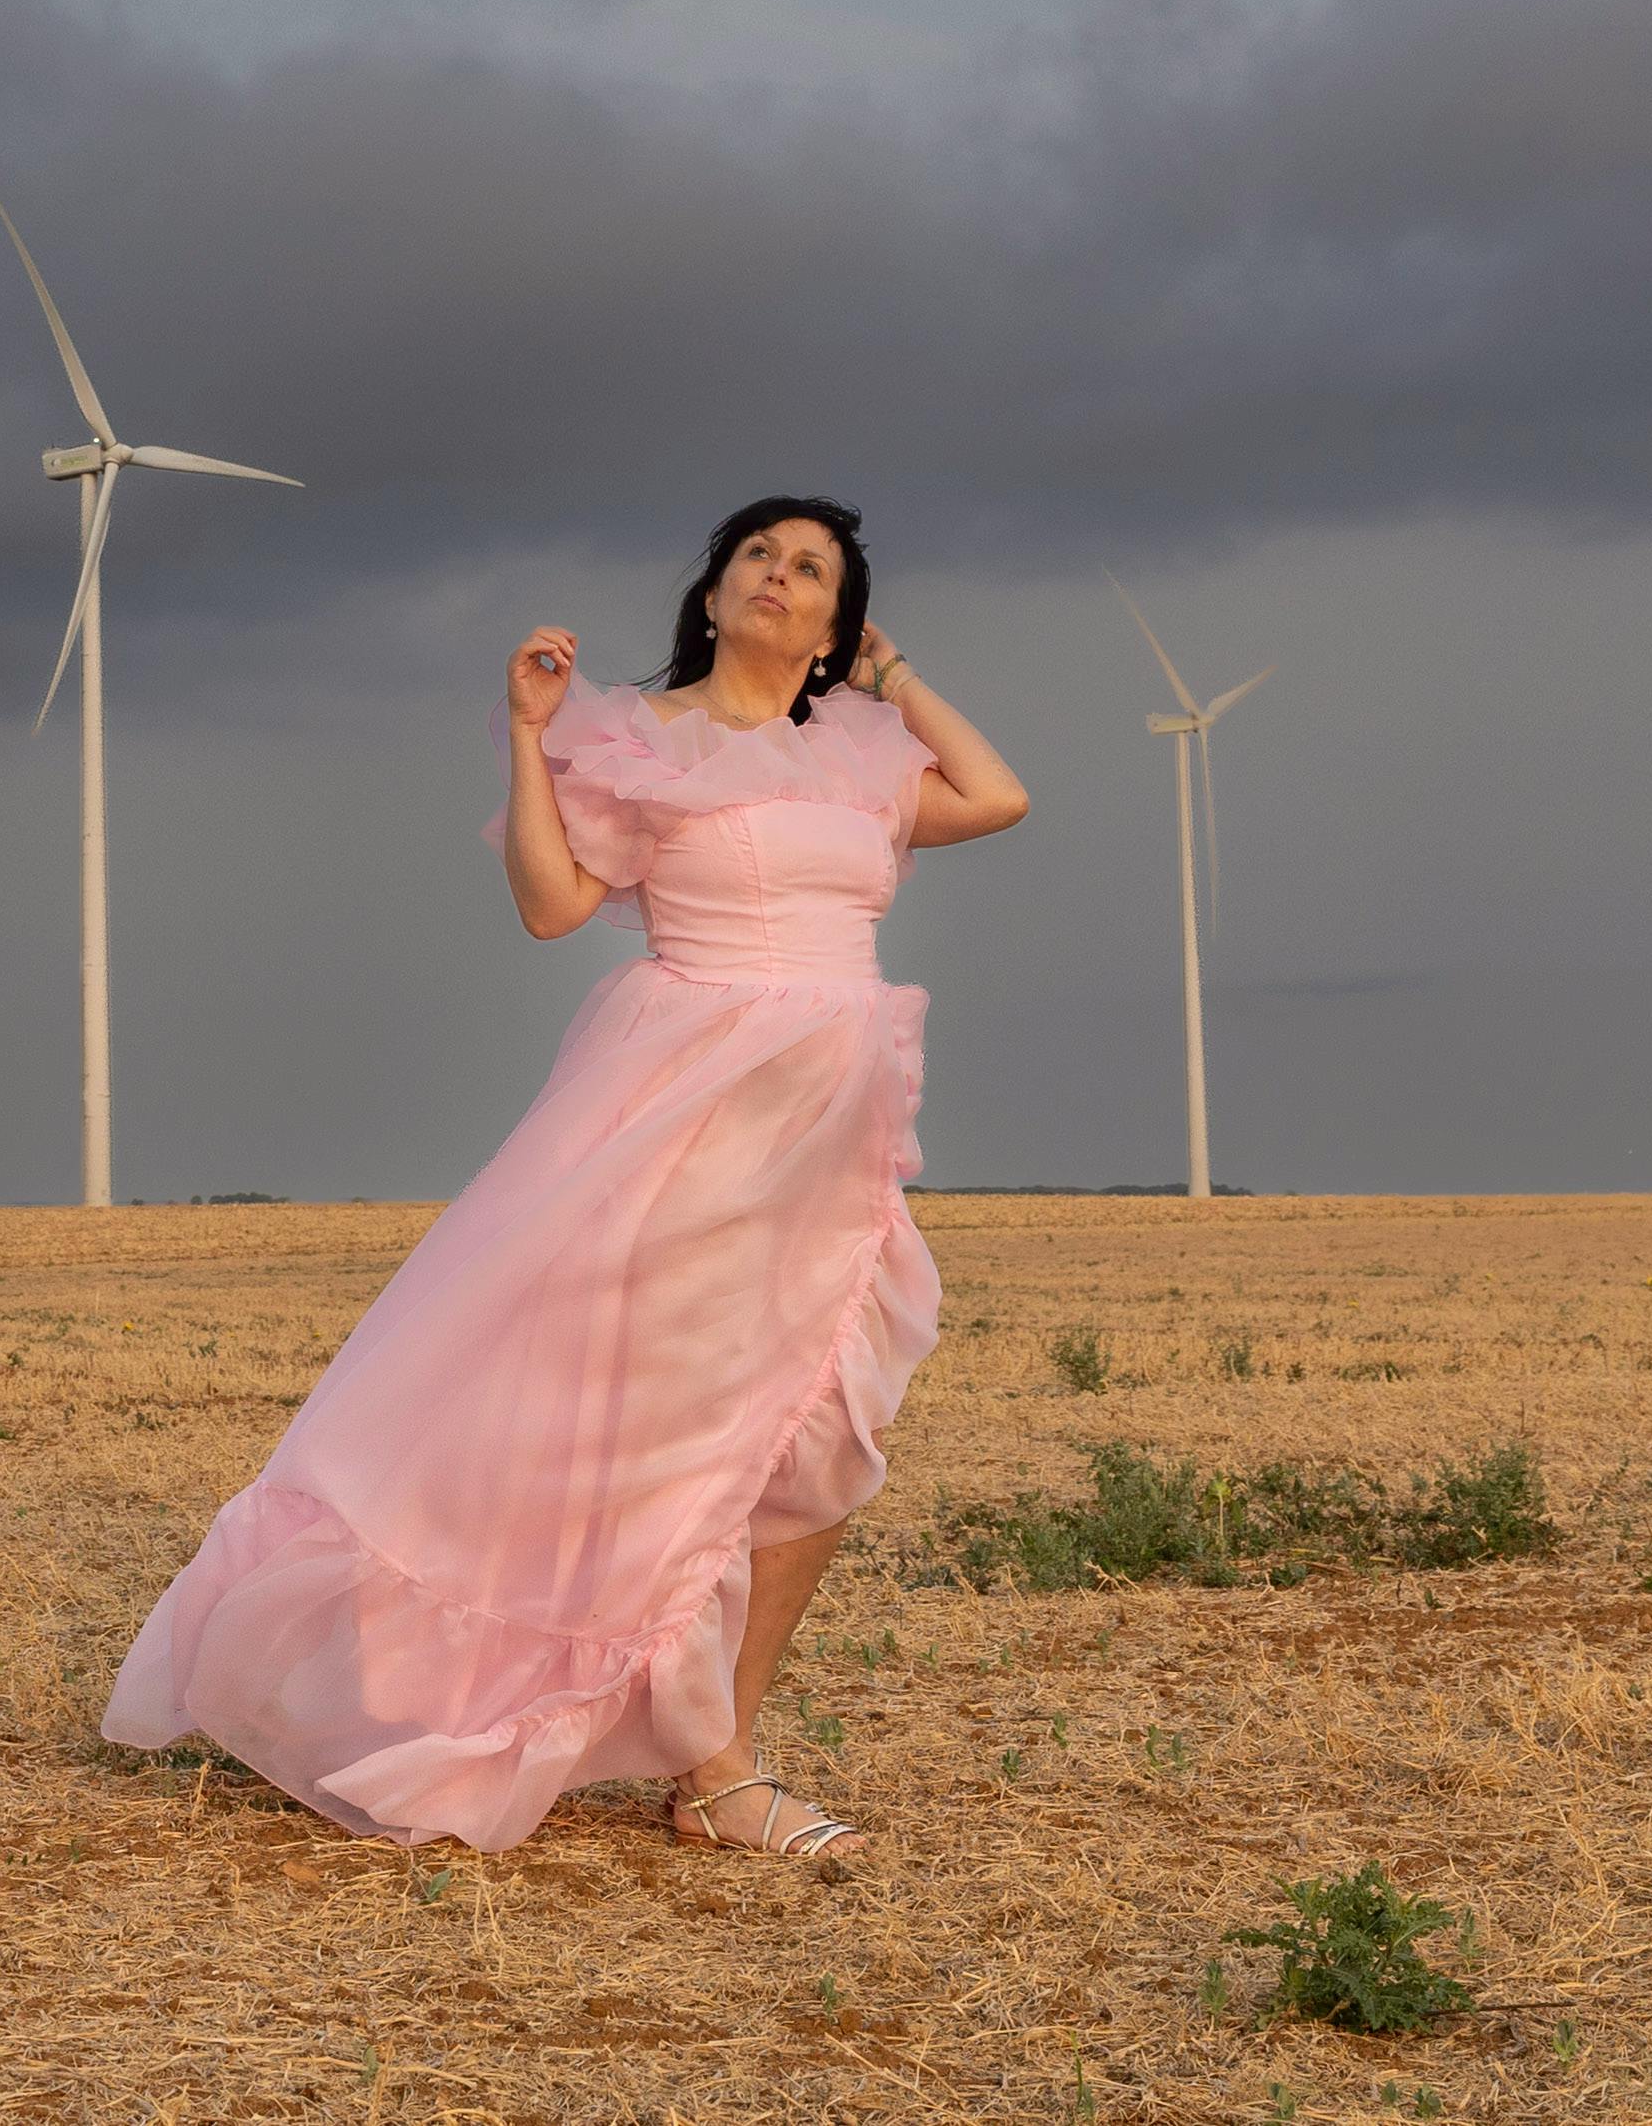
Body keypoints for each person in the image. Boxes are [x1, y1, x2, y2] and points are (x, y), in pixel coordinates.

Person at [99, 495, 1027, 1860]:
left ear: (838, 621)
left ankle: (721, 1749)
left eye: (810, 566)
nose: (778, 573)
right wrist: (532, 742)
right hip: (688, 1117)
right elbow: (549, 902)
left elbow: (1000, 794)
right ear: (711, 595)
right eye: (756, 556)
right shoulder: (640, 743)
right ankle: (716, 1769)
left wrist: (893, 678)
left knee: (826, 1443)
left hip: (831, 1140)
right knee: (675, 1439)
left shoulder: (868, 757)